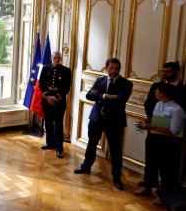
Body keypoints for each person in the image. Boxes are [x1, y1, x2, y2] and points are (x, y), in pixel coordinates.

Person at [74, 58, 133, 191]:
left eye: (117, 68)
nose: (114, 71)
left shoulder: (126, 84)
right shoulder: (100, 81)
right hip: (97, 119)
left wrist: (99, 95)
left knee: (115, 150)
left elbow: (121, 99)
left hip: (115, 121)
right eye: (111, 68)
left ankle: (117, 176)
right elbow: (89, 96)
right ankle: (86, 166)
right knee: (92, 143)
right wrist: (106, 96)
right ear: (106, 68)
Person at [135, 62, 185, 195]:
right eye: (163, 71)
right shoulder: (156, 87)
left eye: (167, 71)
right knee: (150, 161)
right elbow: (148, 105)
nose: (164, 74)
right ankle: (148, 186)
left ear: (176, 72)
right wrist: (151, 121)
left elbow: (180, 115)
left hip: (170, 136)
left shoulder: (183, 90)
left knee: (168, 166)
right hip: (154, 131)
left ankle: (164, 194)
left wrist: (157, 123)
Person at [39, 51, 72, 158]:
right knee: (48, 122)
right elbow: (41, 84)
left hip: (59, 102)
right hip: (46, 101)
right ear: (51, 58)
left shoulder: (66, 71)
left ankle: (59, 148)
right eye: (55, 57)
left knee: (58, 124)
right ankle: (50, 143)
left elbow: (66, 88)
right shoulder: (45, 69)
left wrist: (55, 97)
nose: (57, 59)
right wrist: (48, 97)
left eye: (59, 58)